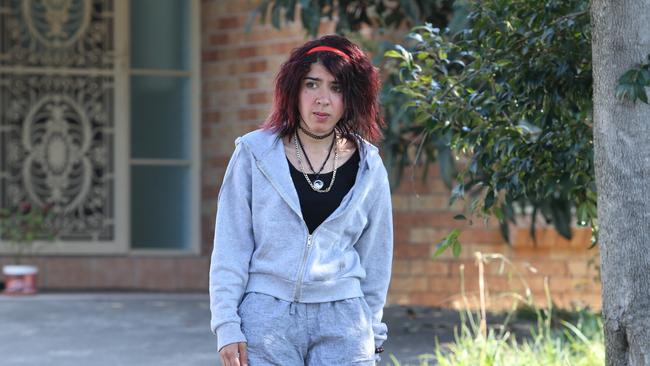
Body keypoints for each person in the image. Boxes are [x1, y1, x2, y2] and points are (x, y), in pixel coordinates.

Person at [209, 34, 394, 366]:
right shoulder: (254, 153)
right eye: (312, 84)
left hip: (344, 322)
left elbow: (376, 258)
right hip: (267, 317)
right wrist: (227, 325)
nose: (322, 99)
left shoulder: (369, 166)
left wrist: (373, 334)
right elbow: (230, 246)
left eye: (336, 88)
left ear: (350, 97)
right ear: (294, 90)